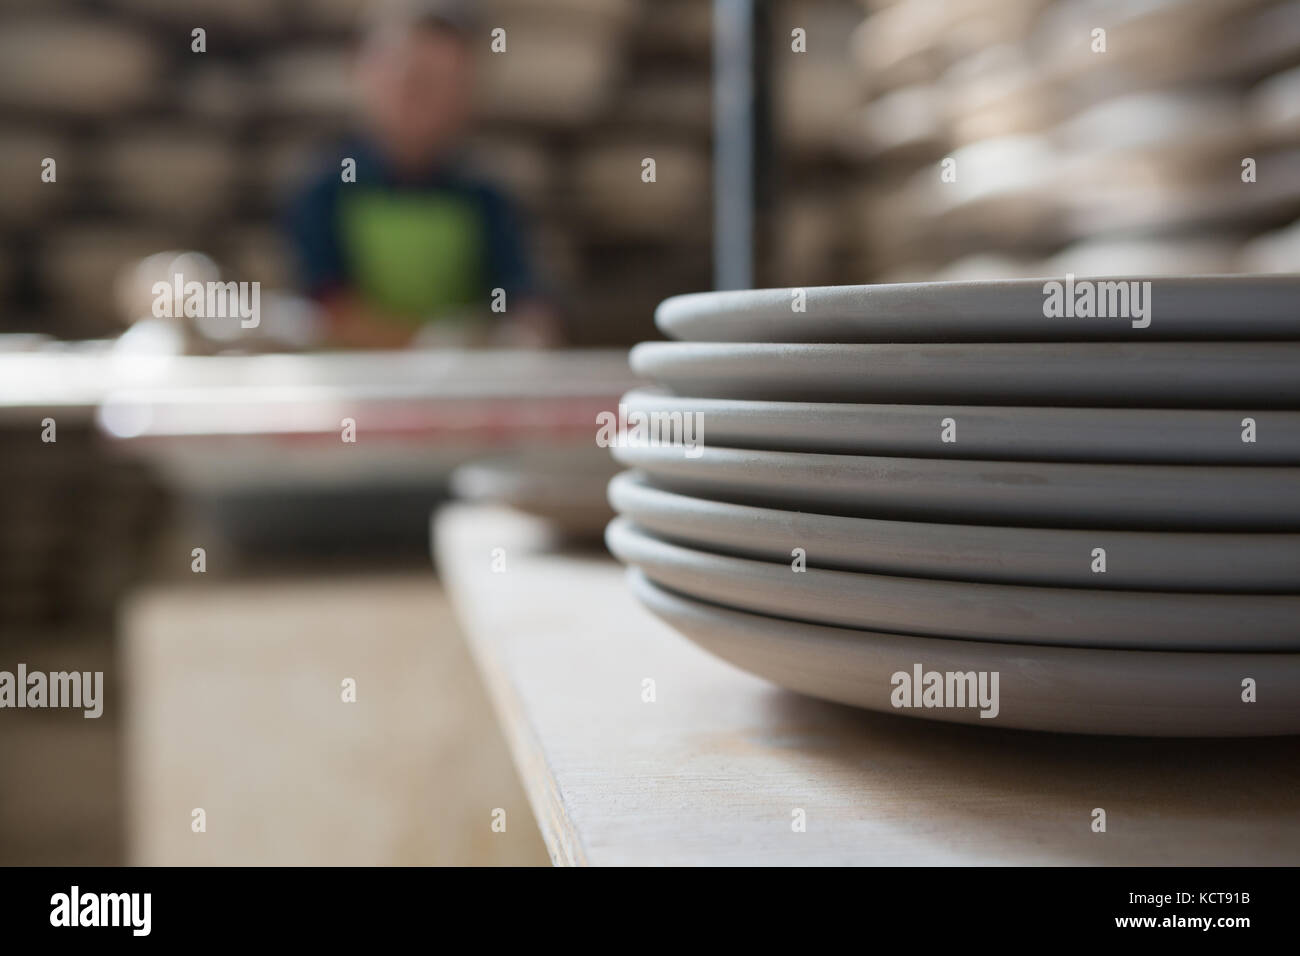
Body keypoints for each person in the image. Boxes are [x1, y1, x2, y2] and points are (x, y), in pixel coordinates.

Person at [285, 0, 559, 349]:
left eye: (436, 82)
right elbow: (323, 310)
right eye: (402, 76)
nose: (412, 97)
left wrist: (525, 335)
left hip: (463, 394)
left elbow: (526, 296)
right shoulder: (322, 191)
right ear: (359, 73)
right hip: (351, 387)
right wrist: (425, 343)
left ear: (467, 90)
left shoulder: (486, 195)